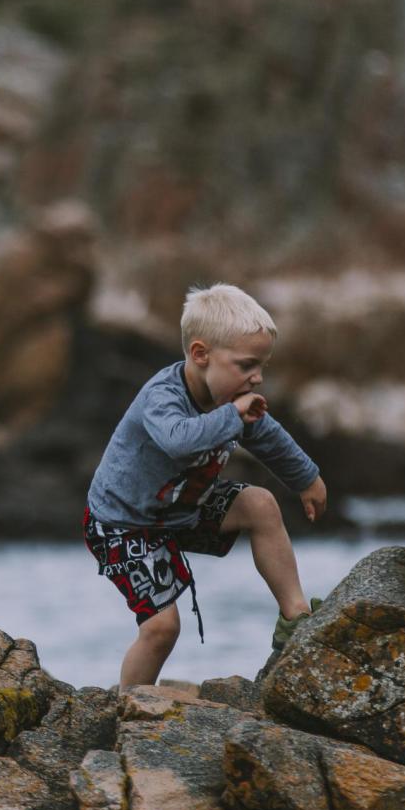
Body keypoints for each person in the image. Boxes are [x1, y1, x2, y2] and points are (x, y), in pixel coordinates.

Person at [83, 283, 328, 688]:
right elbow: (180, 439)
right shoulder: (163, 397)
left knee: (260, 504)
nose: (258, 378)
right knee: (162, 628)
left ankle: (295, 619)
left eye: (261, 366)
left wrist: (307, 478)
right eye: (247, 365)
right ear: (200, 355)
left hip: (181, 511)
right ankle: (126, 709)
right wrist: (233, 414)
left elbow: (268, 437)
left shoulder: (232, 399)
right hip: (123, 525)